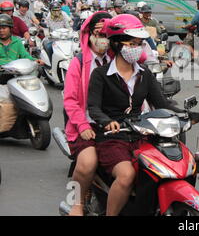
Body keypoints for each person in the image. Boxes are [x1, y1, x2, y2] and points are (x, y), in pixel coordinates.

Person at [87, 14, 186, 216]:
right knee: (126, 175)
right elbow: (93, 108)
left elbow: (161, 104)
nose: (137, 48)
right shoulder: (100, 74)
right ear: (116, 44)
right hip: (112, 137)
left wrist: (185, 114)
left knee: (169, 167)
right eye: (132, 43)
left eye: (140, 44)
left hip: (142, 135)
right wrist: (107, 122)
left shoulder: (145, 74)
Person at [63, 11, 113, 216]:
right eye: (98, 33)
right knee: (87, 163)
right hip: (84, 124)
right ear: (89, 33)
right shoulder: (78, 62)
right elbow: (70, 100)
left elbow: (144, 54)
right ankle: (76, 203)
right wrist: (82, 125)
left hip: (114, 124)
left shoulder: (118, 59)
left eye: (107, 34)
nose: (102, 40)